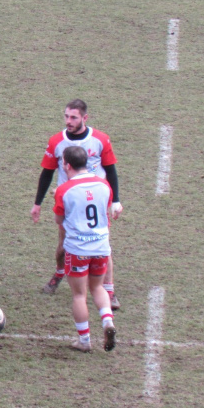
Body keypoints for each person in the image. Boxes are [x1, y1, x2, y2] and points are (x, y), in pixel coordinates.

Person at [30, 99, 123, 309]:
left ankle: (110, 290)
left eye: (73, 117)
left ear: (84, 118)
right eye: (66, 116)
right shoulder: (56, 141)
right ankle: (59, 273)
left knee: (103, 246)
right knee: (63, 244)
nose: (68, 121)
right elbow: (46, 173)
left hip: (96, 198)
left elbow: (111, 170)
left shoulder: (100, 139)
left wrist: (116, 200)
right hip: (69, 198)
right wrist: (37, 203)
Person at [53, 146, 117, 353]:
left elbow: (59, 220)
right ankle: (107, 321)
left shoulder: (64, 190)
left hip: (77, 249)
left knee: (79, 295)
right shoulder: (104, 185)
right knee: (98, 287)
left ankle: (84, 340)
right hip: (101, 247)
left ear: (67, 165)